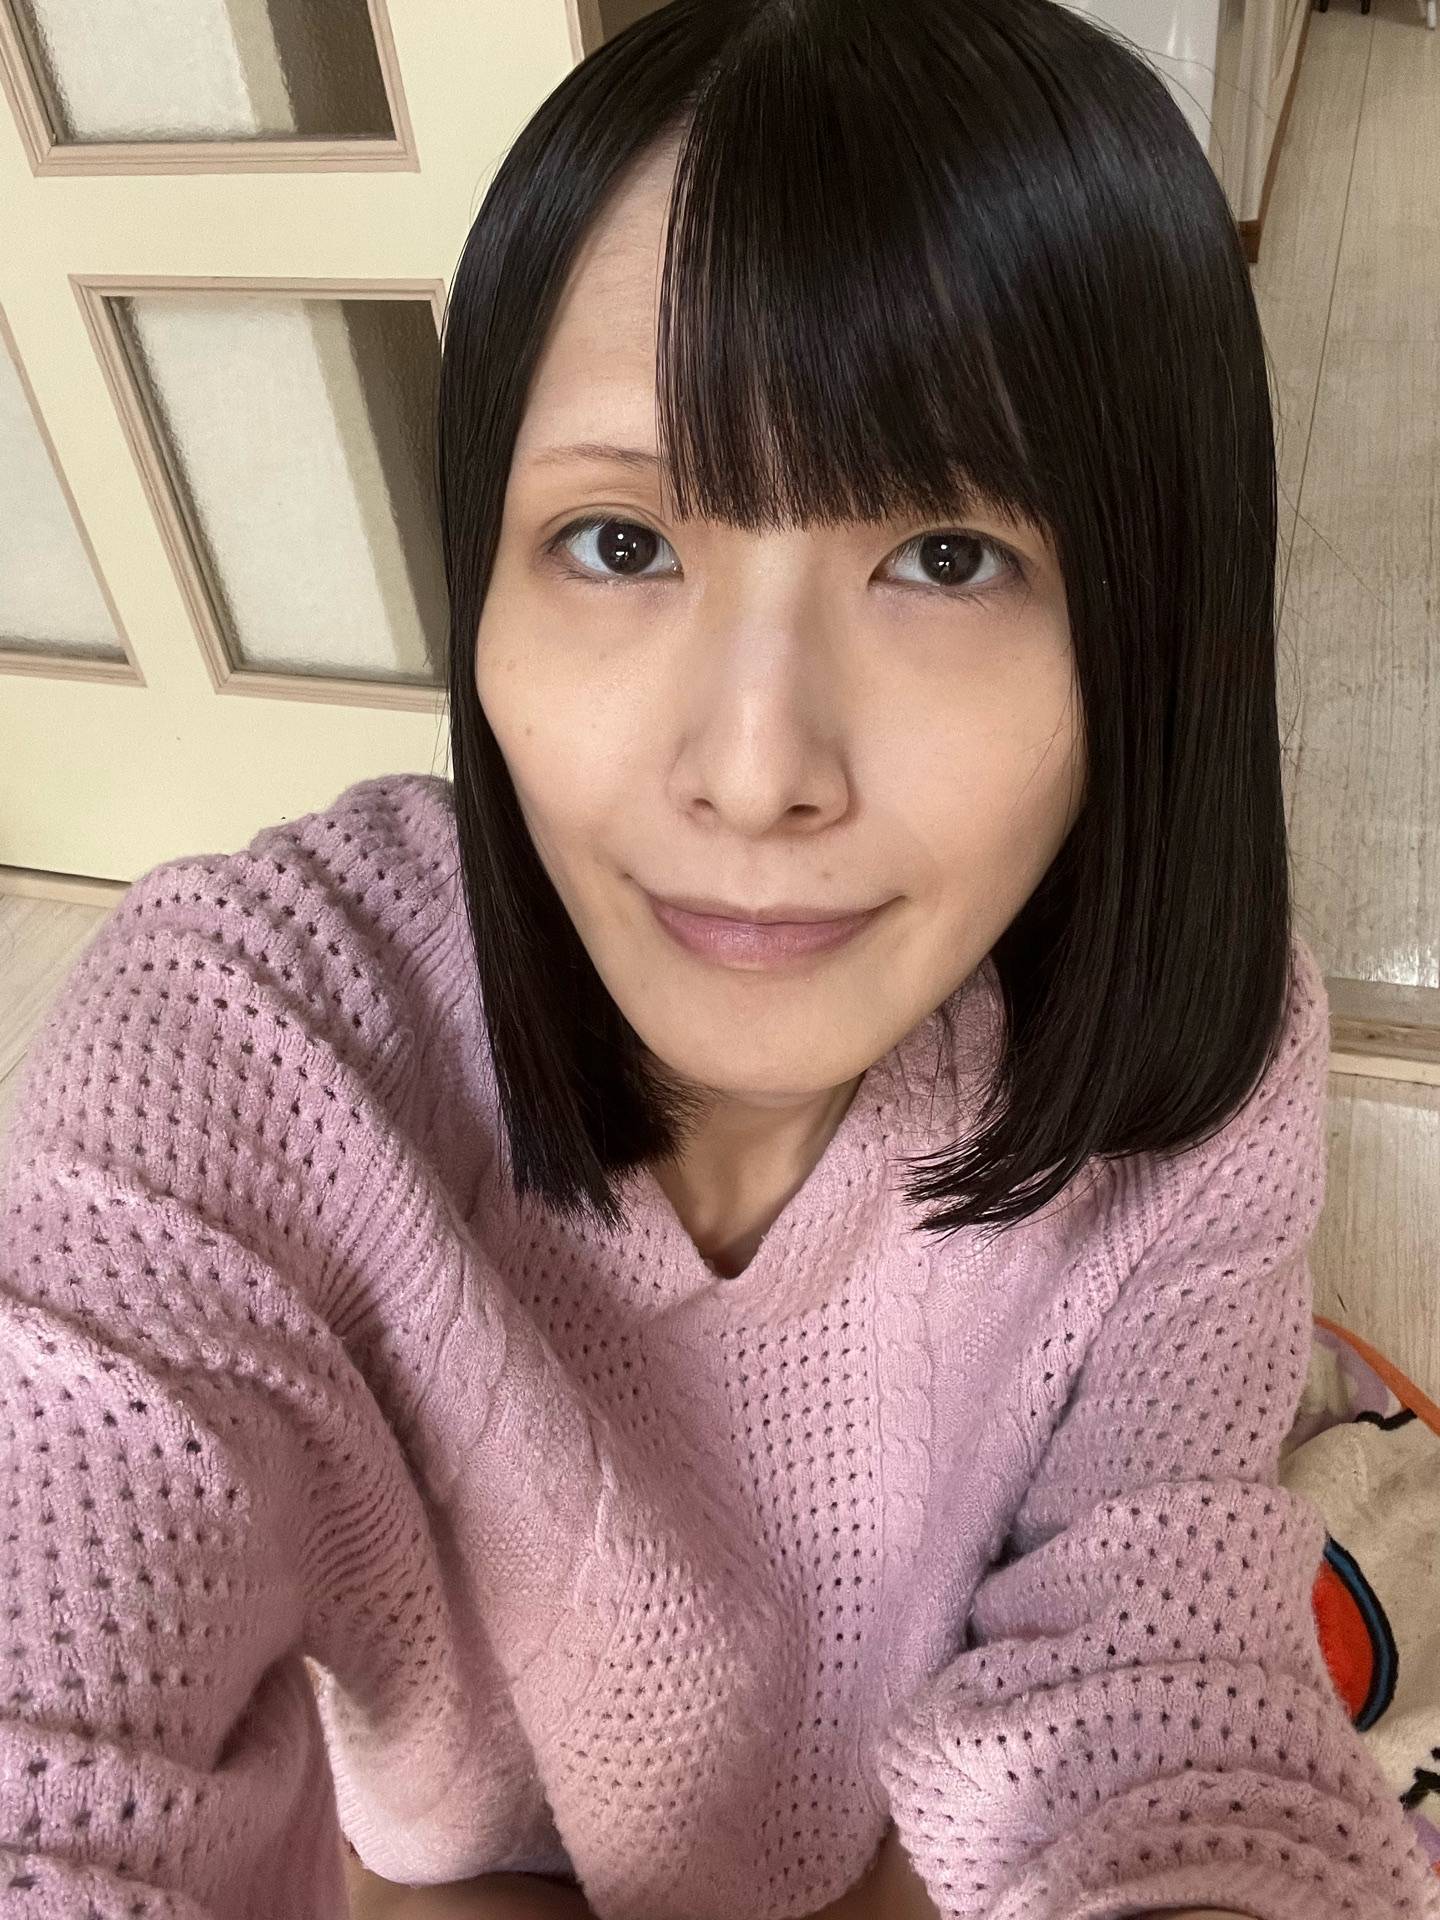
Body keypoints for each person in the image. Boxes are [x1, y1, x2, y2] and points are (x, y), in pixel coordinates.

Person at [2, 1, 1436, 1917]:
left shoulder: (1202, 1060)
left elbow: (1163, 1702)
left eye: (944, 556)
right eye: (617, 542)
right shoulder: (249, 1040)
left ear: (1152, 626)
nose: (754, 772)